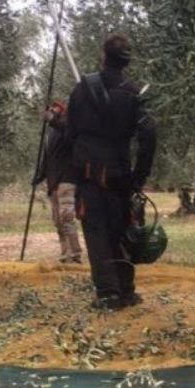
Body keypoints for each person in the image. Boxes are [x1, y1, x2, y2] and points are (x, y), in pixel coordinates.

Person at [67, 34, 157, 310]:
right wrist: (139, 177)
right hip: (121, 174)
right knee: (121, 232)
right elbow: (149, 135)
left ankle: (107, 294)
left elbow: (70, 132)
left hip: (89, 174)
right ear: (126, 62)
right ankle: (127, 291)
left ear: (103, 56)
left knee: (96, 232)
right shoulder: (134, 93)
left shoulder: (83, 89)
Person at [33, 100, 82, 263]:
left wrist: (53, 120)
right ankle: (64, 253)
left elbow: (66, 130)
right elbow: (47, 159)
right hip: (53, 182)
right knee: (57, 221)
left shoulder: (69, 127)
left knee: (66, 218)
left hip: (67, 180)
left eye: (55, 109)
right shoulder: (50, 135)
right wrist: (39, 176)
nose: (52, 111)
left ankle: (75, 254)